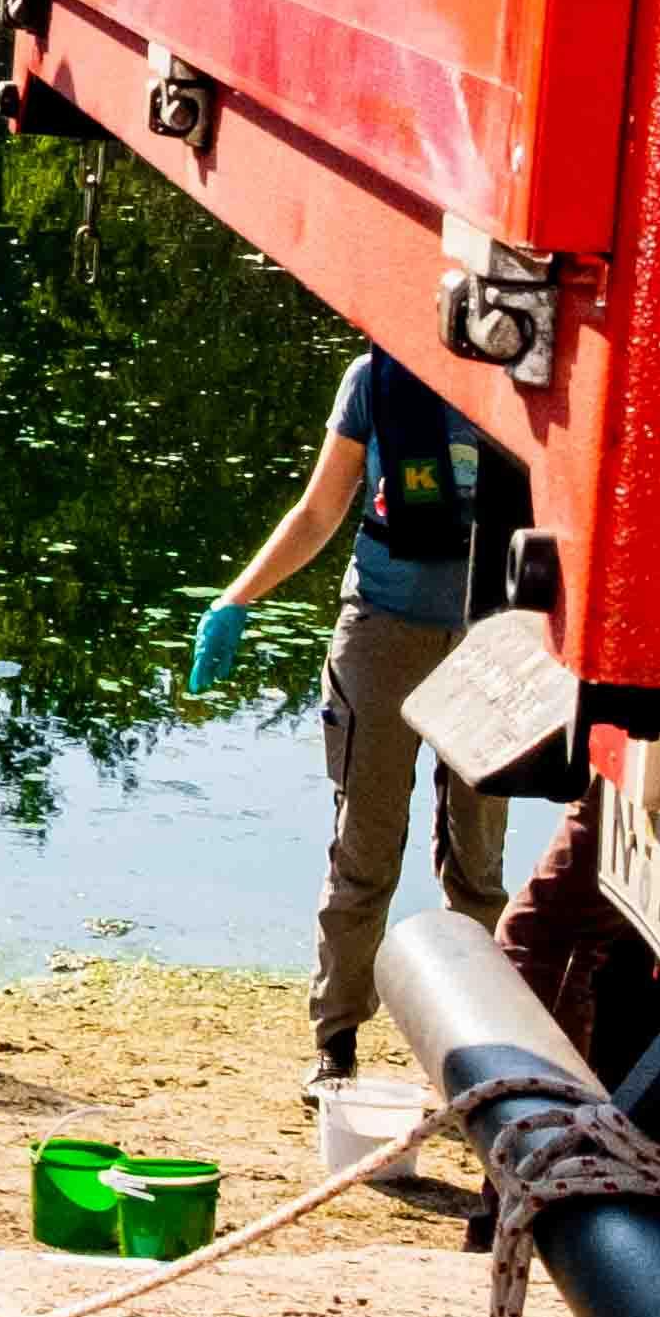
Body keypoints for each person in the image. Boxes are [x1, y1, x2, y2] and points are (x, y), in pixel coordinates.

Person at [193, 350, 525, 1094]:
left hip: (494, 640)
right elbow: (318, 511)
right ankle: (336, 1044)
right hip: (384, 631)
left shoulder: (527, 373)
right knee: (365, 848)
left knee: (478, 861)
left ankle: (483, 1054)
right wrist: (238, 598)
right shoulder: (373, 379)